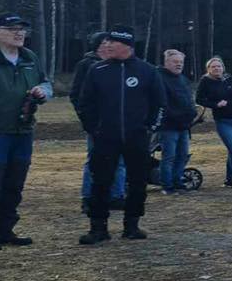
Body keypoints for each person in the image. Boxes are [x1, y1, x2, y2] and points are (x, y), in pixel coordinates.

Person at [77, 26, 164, 244]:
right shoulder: (97, 70)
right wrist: (93, 128)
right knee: (101, 181)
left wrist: (151, 127)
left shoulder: (147, 71)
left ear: (126, 46)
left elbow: (159, 103)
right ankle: (98, 228)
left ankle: (132, 225)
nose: (106, 46)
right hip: (105, 137)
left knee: (137, 182)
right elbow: (85, 103)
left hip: (137, 137)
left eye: (111, 43)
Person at [0, 14, 52, 250]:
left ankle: (4, 230)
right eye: (11, 28)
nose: (19, 33)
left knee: (14, 183)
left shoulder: (29, 57)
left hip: (22, 131)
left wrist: (43, 92)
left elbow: (46, 82)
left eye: (22, 29)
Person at [70, 31, 124, 213]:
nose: (111, 45)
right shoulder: (86, 65)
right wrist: (88, 120)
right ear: (98, 45)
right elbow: (77, 95)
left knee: (120, 160)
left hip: (120, 123)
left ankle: (116, 195)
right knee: (94, 160)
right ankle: (89, 197)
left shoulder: (119, 65)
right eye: (107, 42)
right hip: (97, 123)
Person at [195, 57, 232, 190]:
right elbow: (199, 99)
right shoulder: (205, 82)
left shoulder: (230, 79)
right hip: (224, 121)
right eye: (213, 67)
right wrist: (215, 104)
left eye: (219, 66)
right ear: (208, 69)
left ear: (223, 68)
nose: (217, 69)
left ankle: (228, 180)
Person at [157, 49, 195, 195]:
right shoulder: (159, 78)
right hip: (168, 126)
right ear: (167, 62)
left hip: (184, 126)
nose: (179, 65)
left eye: (181, 62)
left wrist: (193, 112)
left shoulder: (183, 79)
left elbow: (189, 99)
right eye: (175, 62)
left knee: (182, 155)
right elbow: (162, 102)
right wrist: (175, 115)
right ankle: (167, 186)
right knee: (169, 156)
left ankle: (178, 181)